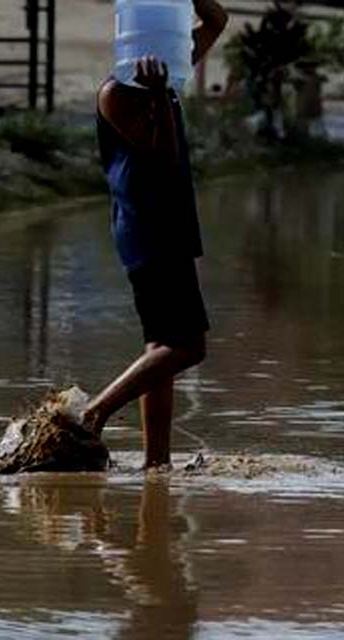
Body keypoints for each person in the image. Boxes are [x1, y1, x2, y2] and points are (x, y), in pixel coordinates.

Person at [82, 0, 228, 469]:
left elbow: (218, 21)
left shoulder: (172, 72)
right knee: (186, 346)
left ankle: (156, 463)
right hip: (149, 231)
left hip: (169, 225)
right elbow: (162, 159)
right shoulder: (118, 95)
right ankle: (95, 411)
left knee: (160, 344)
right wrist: (161, 94)